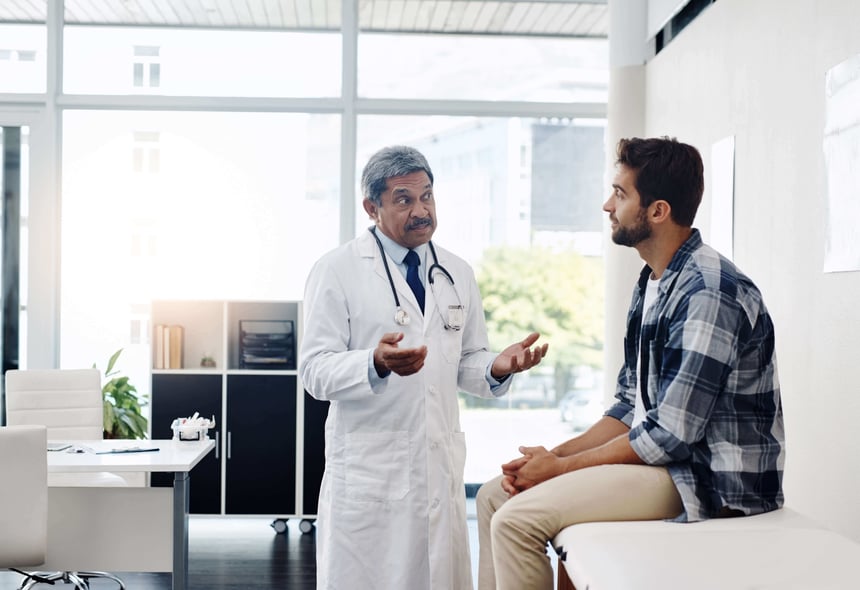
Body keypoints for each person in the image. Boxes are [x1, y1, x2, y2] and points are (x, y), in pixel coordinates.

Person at [476, 136, 785, 590]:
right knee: (492, 497)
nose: (607, 205)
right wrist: (553, 455)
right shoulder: (654, 281)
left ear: (658, 211)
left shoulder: (708, 291)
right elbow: (628, 406)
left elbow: (671, 436)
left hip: (708, 479)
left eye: (620, 194)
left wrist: (561, 470)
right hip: (663, 466)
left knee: (516, 521)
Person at [299, 145, 550, 590]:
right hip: (370, 473)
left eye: (427, 196)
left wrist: (498, 365)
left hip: (438, 466)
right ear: (371, 207)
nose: (421, 211)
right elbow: (315, 372)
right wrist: (374, 362)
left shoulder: (455, 272)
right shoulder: (336, 271)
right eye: (404, 199)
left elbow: (466, 363)